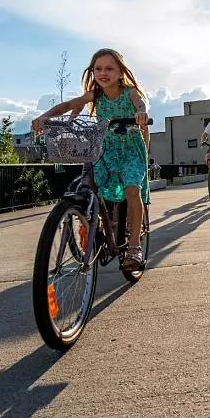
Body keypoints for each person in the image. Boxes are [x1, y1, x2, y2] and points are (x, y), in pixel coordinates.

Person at [32, 48, 150, 272]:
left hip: (129, 149)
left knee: (132, 190)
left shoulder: (130, 92)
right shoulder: (95, 94)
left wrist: (141, 114)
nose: (103, 73)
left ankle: (134, 245)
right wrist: (45, 116)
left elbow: (141, 105)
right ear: (92, 71)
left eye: (109, 68)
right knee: (93, 190)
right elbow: (67, 105)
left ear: (120, 72)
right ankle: (99, 228)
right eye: (98, 68)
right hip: (104, 149)